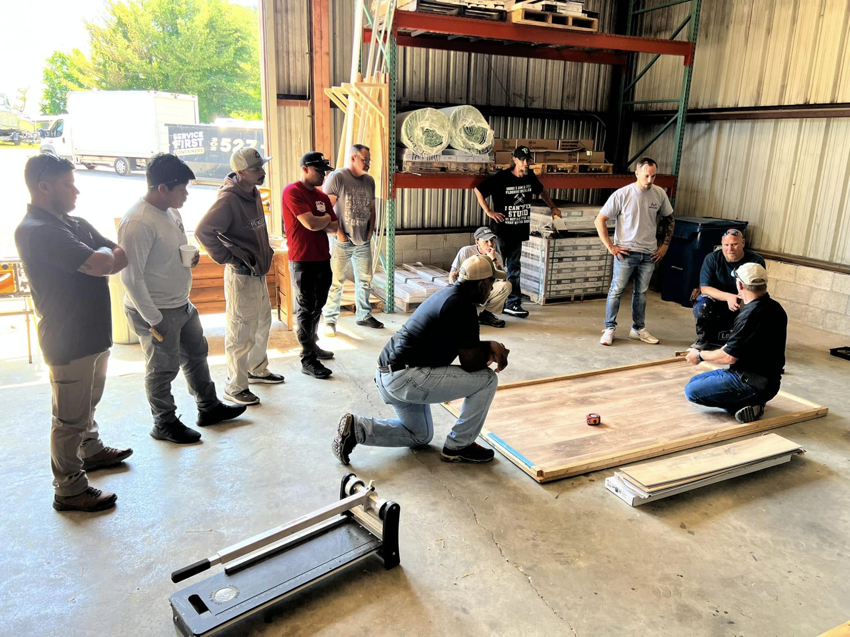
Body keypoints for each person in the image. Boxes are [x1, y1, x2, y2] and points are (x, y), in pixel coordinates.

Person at [16, 153, 132, 512]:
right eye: (68, 183)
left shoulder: (75, 223)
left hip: (94, 333)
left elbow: (119, 255)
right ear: (44, 186)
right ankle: (69, 488)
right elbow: (103, 262)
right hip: (67, 339)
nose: (77, 190)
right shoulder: (37, 231)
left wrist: (102, 259)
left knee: (87, 403)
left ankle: (91, 450)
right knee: (68, 419)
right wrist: (101, 259)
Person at [331, 254, 510, 465]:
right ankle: (460, 445)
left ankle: (357, 429)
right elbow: (470, 364)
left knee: (420, 435)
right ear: (481, 284)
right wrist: (490, 347)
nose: (491, 289)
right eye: (491, 283)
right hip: (406, 377)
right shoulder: (463, 307)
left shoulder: (449, 294)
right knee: (487, 380)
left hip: (388, 373)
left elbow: (464, 346)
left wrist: (488, 346)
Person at [119, 153, 246, 445]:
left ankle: (208, 407)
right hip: (156, 310)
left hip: (181, 303)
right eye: (182, 189)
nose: (187, 194)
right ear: (162, 188)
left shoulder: (171, 211)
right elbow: (130, 277)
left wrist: (189, 257)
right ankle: (163, 423)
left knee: (197, 355)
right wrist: (154, 320)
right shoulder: (137, 222)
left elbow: (169, 251)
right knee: (162, 369)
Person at [195, 148, 283, 407]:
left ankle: (256, 368)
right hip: (241, 274)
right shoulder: (228, 199)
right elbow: (203, 231)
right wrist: (229, 258)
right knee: (240, 330)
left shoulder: (252, 192)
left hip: (256, 271)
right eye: (257, 169)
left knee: (262, 323)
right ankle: (235, 385)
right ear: (241, 172)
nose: (262, 172)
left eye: (262, 167)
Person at [684, 263, 787, 423]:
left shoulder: (750, 315)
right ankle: (748, 402)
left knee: (692, 391)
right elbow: (735, 345)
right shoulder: (775, 308)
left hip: (751, 383)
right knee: (695, 381)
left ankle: (749, 403)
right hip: (766, 380)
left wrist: (699, 355)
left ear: (739, 284)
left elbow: (728, 357)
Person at [474, 145, 561, 319]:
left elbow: (541, 190)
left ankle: (513, 303)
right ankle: (489, 302)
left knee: (514, 268)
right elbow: (478, 190)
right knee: (494, 267)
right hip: (500, 232)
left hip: (518, 230)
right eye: (522, 160)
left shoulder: (530, 178)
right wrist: (489, 211)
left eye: (527, 160)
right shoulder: (502, 177)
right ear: (514, 160)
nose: (525, 163)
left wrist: (552, 206)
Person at [595, 157, 674, 346]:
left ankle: (638, 329)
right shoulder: (622, 194)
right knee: (616, 290)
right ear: (637, 173)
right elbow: (600, 220)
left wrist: (664, 246)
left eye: (653, 176)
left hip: (649, 254)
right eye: (646, 175)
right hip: (626, 253)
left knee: (642, 293)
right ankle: (609, 328)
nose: (649, 180)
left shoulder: (659, 194)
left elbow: (670, 219)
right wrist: (611, 247)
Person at [282, 151, 339, 379]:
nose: (323, 176)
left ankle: (312, 345)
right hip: (302, 260)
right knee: (306, 308)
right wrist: (322, 220)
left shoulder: (322, 197)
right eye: (318, 171)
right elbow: (311, 224)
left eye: (325, 171)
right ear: (304, 169)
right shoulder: (292, 192)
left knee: (318, 305)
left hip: (322, 258)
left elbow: (334, 228)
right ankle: (308, 359)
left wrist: (320, 220)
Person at [321, 144, 383, 336]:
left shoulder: (369, 181)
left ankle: (363, 315)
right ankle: (330, 319)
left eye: (369, 159)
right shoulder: (337, 178)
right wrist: (338, 232)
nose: (368, 163)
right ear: (353, 158)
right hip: (342, 241)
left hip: (362, 240)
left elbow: (372, 208)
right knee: (336, 282)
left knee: (364, 280)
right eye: (365, 159)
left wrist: (371, 230)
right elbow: (326, 209)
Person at [692, 229, 765, 350]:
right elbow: (705, 288)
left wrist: (742, 303)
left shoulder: (756, 261)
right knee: (702, 304)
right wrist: (728, 297)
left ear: (743, 243)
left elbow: (758, 290)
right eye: (726, 245)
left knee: (762, 307)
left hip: (744, 300)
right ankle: (703, 339)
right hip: (717, 300)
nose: (730, 249)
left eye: (734, 244)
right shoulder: (712, 259)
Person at [449, 227, 511, 328]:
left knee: (506, 285)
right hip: (468, 290)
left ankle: (487, 314)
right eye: (486, 241)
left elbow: (502, 279)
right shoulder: (466, 251)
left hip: (484, 290)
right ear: (477, 242)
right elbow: (452, 275)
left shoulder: (496, 255)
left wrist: (493, 259)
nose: (490, 244)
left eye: (491, 240)